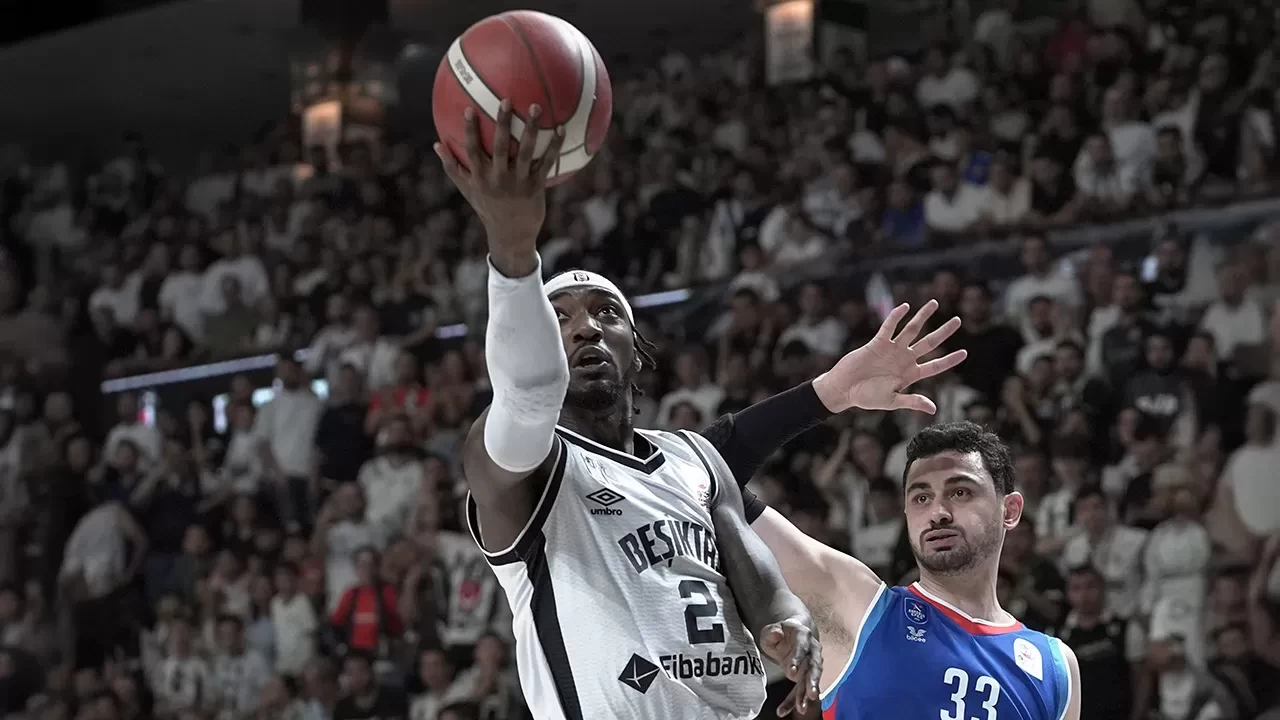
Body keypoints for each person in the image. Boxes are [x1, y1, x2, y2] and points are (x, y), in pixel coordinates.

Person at [434, 101, 823, 719]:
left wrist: (791, 623)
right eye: (558, 319)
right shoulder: (523, 468)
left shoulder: (695, 458)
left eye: (606, 314)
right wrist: (513, 250)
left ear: (637, 353)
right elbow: (528, 393)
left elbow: (765, 590)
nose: (584, 329)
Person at [737, 419, 1082, 719]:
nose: (938, 513)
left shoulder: (1056, 666)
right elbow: (714, 475)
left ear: (1010, 510)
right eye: (921, 498)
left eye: (960, 492)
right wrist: (823, 395)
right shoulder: (857, 606)